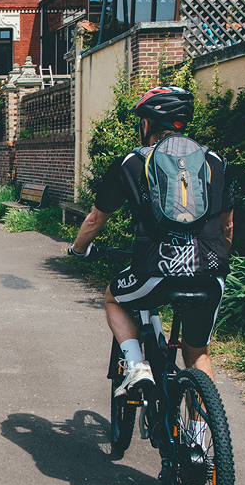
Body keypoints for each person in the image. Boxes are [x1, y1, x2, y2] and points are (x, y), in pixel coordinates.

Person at [68, 85, 234, 396]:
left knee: (113, 299)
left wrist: (78, 249)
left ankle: (137, 365)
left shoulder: (132, 161)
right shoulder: (215, 161)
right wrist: (214, 260)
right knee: (198, 354)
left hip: (156, 270)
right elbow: (228, 228)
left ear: (147, 125)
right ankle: (199, 441)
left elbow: (95, 219)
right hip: (211, 275)